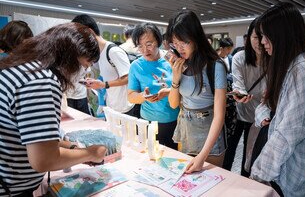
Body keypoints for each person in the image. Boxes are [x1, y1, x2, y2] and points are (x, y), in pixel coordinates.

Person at [0, 23, 107, 197]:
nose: (84, 72)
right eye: (85, 65)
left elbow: (29, 134)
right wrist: (90, 153)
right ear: (71, 55)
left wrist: (71, 148)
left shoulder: (23, 68)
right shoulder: (41, 82)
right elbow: (44, 160)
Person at [250, 2, 305, 197]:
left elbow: (288, 133)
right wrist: (265, 115)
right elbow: (266, 102)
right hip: (276, 161)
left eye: (266, 36)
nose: (262, 42)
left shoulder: (302, 72)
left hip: (286, 173)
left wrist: (258, 174)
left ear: (282, 35)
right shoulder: (287, 66)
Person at [166, 10, 227, 173]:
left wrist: (201, 156)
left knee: (210, 185)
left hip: (209, 134)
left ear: (195, 38)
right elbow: (173, 104)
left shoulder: (216, 66)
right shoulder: (180, 63)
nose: (179, 48)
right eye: (175, 43)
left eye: (183, 42)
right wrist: (175, 77)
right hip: (186, 129)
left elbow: (219, 116)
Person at [222, 19, 266, 177]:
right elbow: (238, 83)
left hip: (259, 119)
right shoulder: (240, 57)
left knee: (249, 158)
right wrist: (239, 93)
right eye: (256, 37)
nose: (260, 42)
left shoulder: (273, 61)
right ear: (248, 38)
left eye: (264, 37)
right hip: (238, 114)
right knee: (229, 152)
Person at [71, 14, 137, 117]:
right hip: (112, 107)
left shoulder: (113, 51)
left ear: (89, 32)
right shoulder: (100, 52)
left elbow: (128, 78)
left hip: (124, 109)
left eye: (79, 36)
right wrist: (99, 84)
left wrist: (103, 84)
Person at [128, 23, 179, 149]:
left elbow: (183, 88)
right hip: (147, 123)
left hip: (173, 121)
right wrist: (143, 96)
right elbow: (131, 96)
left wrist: (168, 91)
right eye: (140, 46)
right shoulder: (136, 66)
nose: (145, 50)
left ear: (159, 41)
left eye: (149, 44)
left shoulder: (171, 59)